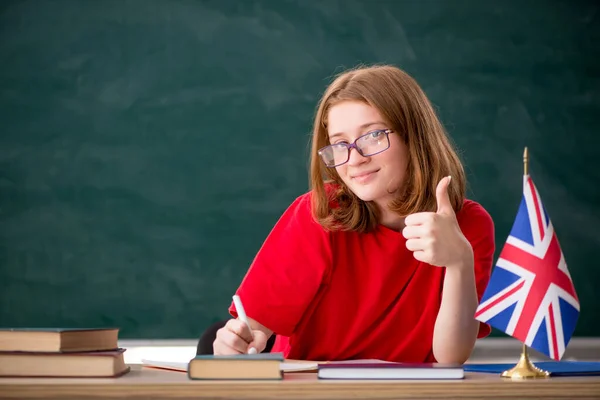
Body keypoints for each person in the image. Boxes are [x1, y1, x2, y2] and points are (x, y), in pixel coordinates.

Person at [211, 64, 495, 364]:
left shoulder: (468, 225)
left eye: (372, 136)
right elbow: (253, 329)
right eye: (339, 144)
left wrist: (460, 261)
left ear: (414, 135)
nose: (354, 159)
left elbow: (451, 358)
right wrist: (236, 342)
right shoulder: (319, 213)